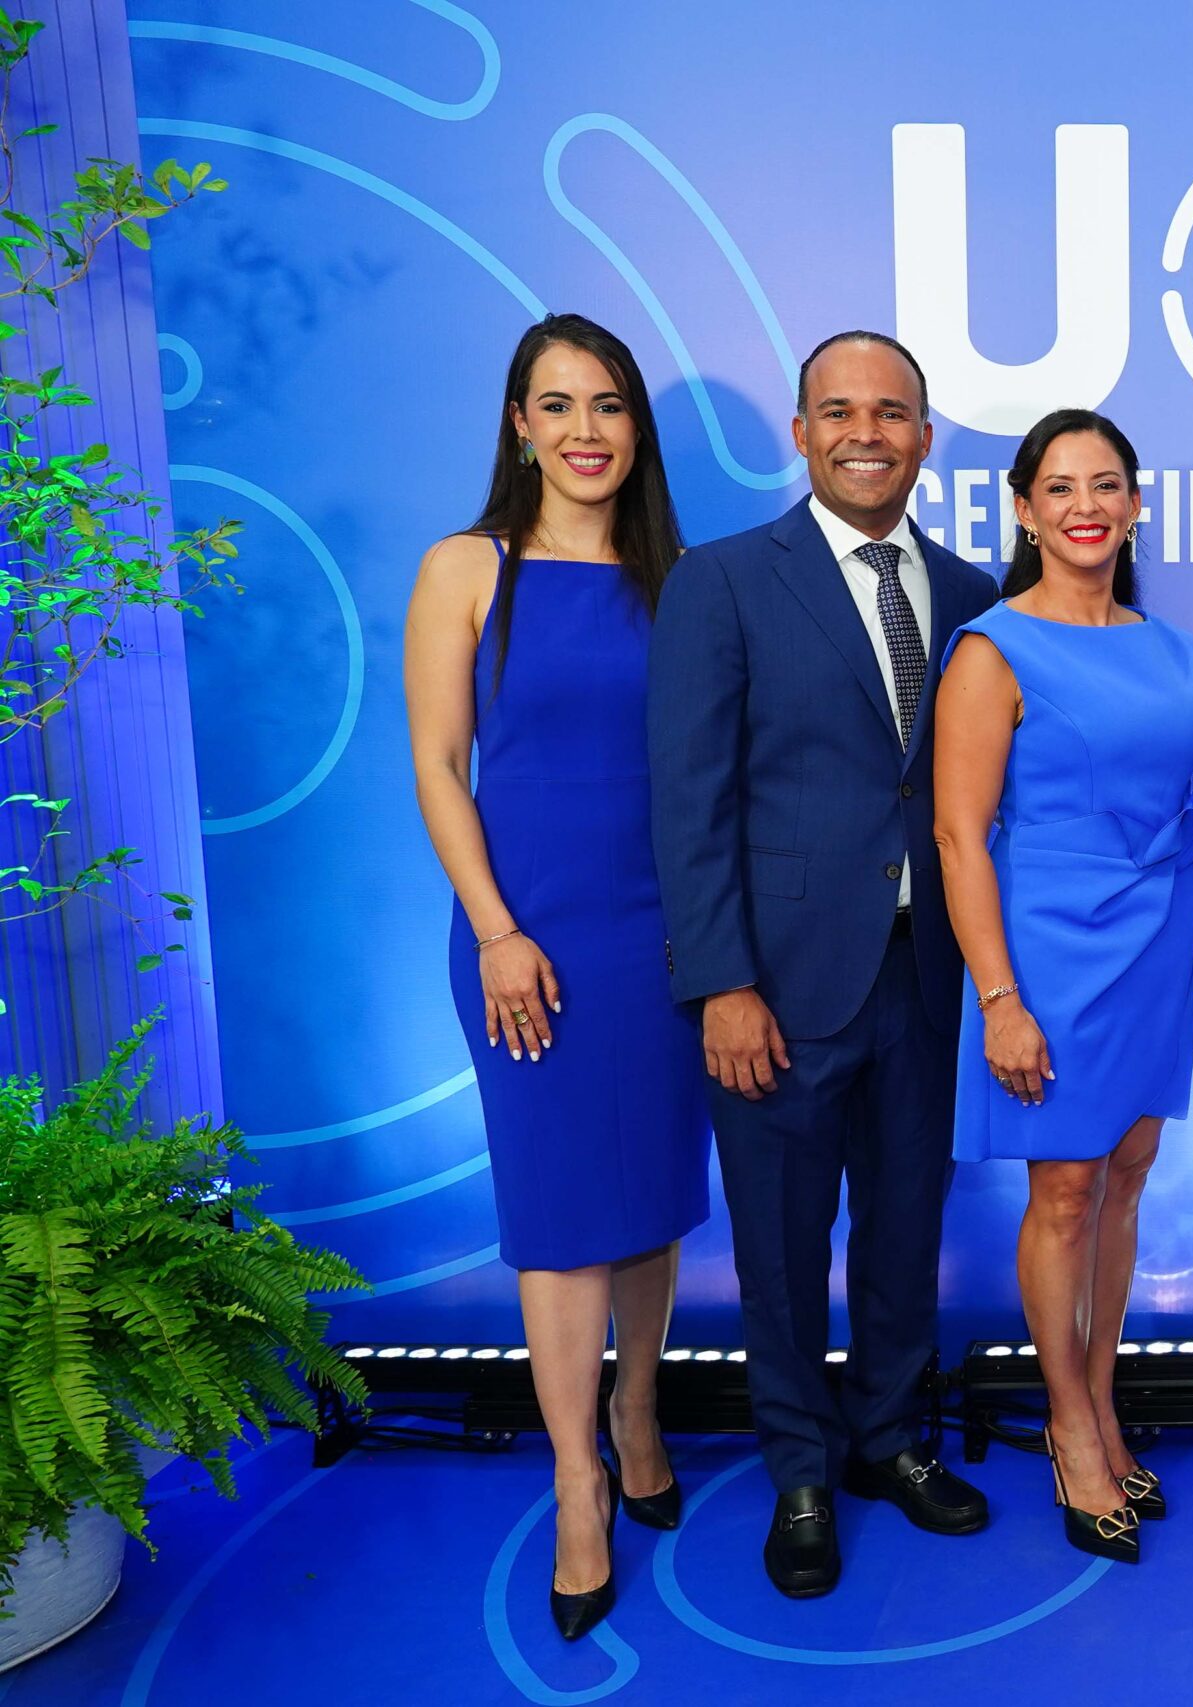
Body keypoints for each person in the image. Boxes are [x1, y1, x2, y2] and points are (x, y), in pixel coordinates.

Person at [647, 332, 998, 1599]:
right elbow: (688, 798)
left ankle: (888, 1439)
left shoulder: (971, 592)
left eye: (890, 412)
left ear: (924, 436)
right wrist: (720, 982)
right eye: (838, 411)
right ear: (800, 433)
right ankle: (800, 1468)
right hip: (778, 985)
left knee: (906, 1230)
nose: (866, 432)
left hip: (928, 976)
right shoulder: (724, 580)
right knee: (783, 1246)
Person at [403, 312, 708, 1641]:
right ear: (519, 425)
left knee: (649, 1199)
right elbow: (437, 765)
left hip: (661, 940)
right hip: (525, 938)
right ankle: (578, 1480)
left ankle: (638, 1410)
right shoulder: (465, 566)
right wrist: (497, 931)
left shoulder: (678, 577)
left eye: (609, 405)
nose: (586, 430)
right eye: (559, 404)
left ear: (636, 430)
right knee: (561, 1210)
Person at [933, 409, 1193, 1565]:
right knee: (1063, 1189)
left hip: (1154, 937)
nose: (1084, 506)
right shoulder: (991, 648)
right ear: (1024, 509)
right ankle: (1067, 1428)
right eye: (1059, 487)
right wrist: (999, 999)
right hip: (1047, 951)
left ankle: (1104, 1405)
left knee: (1124, 1178)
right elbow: (960, 838)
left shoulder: (1170, 648)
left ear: (1134, 504)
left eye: (1105, 484)